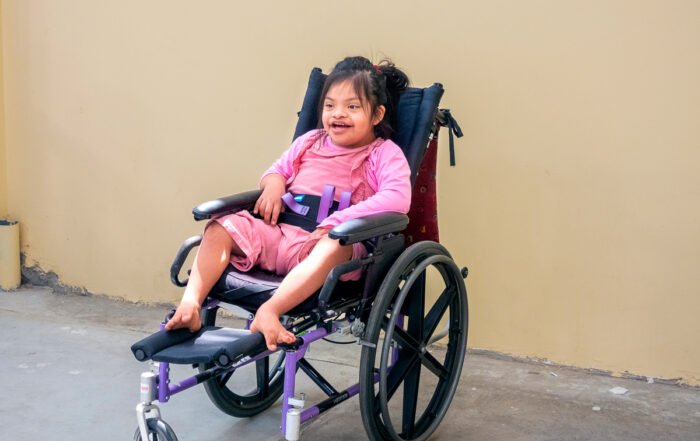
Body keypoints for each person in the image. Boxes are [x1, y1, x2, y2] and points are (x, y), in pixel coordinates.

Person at [165, 56, 412, 351]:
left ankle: (269, 311)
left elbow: (398, 198)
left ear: (376, 115)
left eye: (352, 106)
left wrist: (338, 222)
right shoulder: (309, 141)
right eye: (330, 105)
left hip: (327, 245)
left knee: (334, 245)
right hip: (279, 232)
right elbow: (276, 171)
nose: (338, 114)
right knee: (221, 226)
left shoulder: (383, 153)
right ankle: (190, 305)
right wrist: (273, 186)